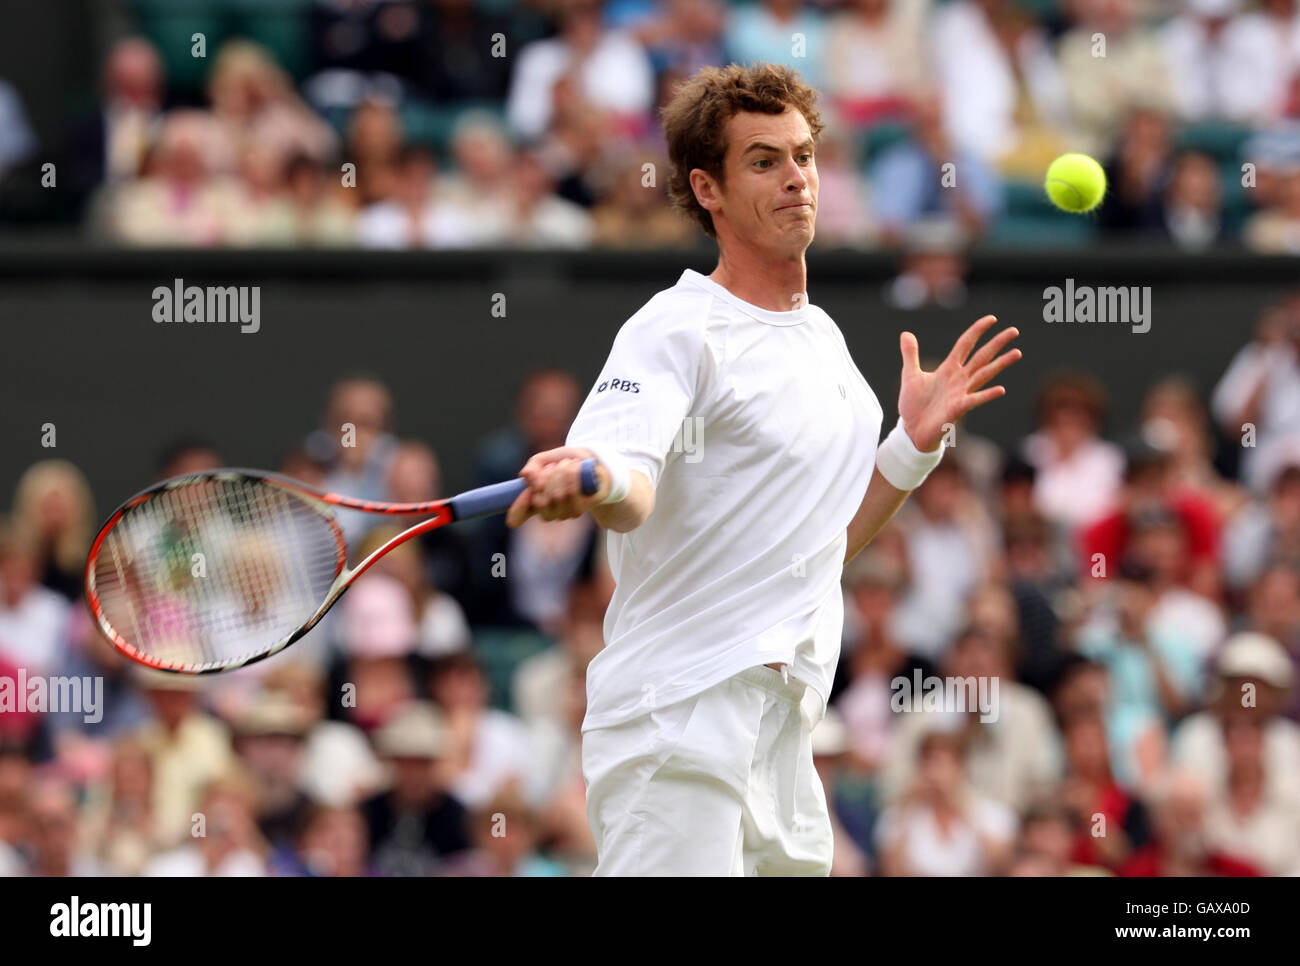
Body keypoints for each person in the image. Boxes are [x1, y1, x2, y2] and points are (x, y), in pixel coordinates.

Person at [503, 62, 1021, 876]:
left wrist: (911, 448)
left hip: (783, 736)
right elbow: (631, 485)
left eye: (804, 156)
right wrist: (596, 477)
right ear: (706, 189)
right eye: (764, 161)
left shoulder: (827, 345)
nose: (795, 179)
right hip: (676, 722)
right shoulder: (673, 329)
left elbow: (821, 549)